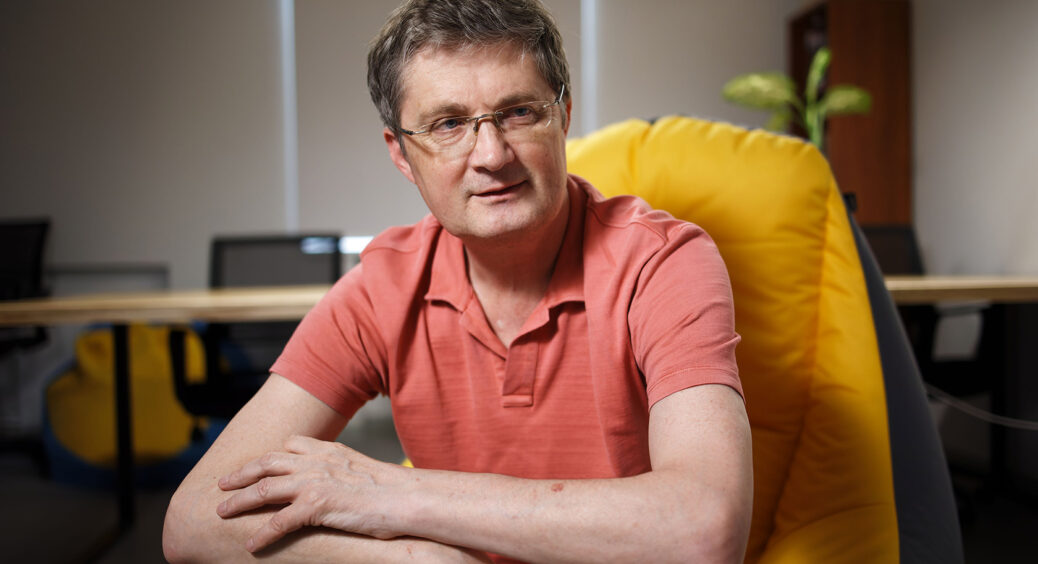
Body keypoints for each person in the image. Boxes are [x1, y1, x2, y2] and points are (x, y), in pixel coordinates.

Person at [162, 0, 752, 562]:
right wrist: (421, 558)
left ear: (563, 116)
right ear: (401, 154)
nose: (492, 154)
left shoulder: (663, 263)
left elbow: (705, 531)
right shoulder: (382, 288)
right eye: (448, 124)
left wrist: (395, 494)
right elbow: (192, 521)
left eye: (519, 112)